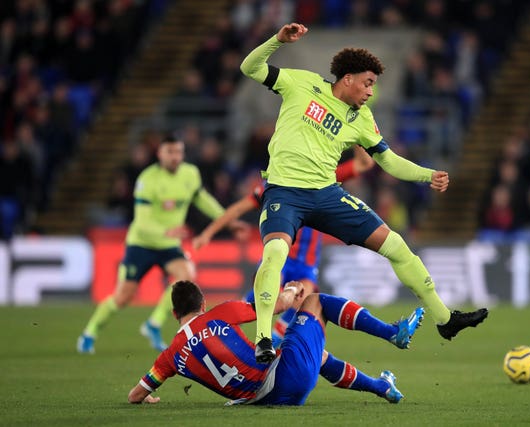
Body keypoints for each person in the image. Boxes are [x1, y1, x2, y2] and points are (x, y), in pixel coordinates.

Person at [239, 23, 489, 363]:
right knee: (275, 256)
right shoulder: (301, 83)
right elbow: (249, 67)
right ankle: (264, 339)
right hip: (286, 191)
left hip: (327, 195)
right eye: (368, 83)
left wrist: (427, 175)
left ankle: (445, 319)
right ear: (348, 79)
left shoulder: (362, 118)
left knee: (398, 246)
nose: (371, 92)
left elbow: (389, 162)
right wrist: (276, 41)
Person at [127, 279, 425, 406]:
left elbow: (135, 395)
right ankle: (392, 332)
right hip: (282, 378)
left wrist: (147, 398)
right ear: (203, 303)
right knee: (316, 302)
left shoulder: (170, 356)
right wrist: (292, 288)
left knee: (315, 354)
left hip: (266, 401)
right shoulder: (221, 313)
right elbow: (278, 306)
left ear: (174, 314)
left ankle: (382, 387)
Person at [77, 134, 246, 354]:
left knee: (186, 276)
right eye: (170, 152)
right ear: (160, 154)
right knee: (123, 297)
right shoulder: (148, 180)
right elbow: (142, 221)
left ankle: (153, 324)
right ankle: (90, 332)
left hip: (168, 245)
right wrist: (167, 231)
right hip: (142, 243)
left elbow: (203, 200)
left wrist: (228, 221)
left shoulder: (190, 174)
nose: (175, 157)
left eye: (178, 152)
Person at [192, 145, 375, 347]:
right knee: (256, 304)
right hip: (279, 257)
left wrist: (356, 138)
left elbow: (364, 163)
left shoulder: (326, 176)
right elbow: (237, 209)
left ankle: (272, 345)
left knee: (302, 301)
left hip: (305, 264)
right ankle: (211, 335)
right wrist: (207, 233)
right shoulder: (273, 184)